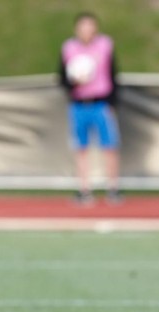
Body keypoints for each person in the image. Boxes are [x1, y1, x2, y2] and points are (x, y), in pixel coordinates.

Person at [59, 12, 121, 204]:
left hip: (101, 103)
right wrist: (74, 82)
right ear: (76, 29)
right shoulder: (69, 48)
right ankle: (84, 190)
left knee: (109, 146)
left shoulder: (105, 45)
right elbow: (61, 78)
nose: (86, 30)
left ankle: (113, 189)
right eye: (83, 26)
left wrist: (112, 103)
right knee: (81, 148)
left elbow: (113, 74)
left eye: (90, 26)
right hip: (79, 105)